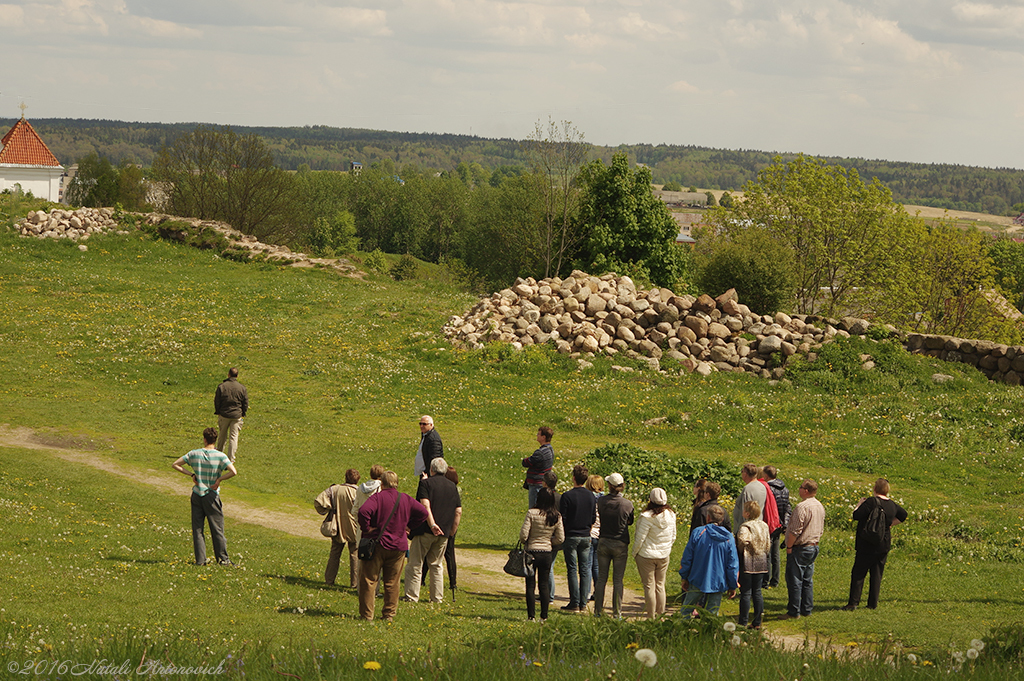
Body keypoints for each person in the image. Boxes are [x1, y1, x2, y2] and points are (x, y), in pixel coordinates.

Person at [356, 471, 429, 621]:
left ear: (381, 483)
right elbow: (423, 512)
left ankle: (367, 615)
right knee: (392, 583)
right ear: (396, 483)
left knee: (369, 581)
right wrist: (409, 527)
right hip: (398, 547)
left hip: (377, 544)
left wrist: (367, 528)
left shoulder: (377, 497)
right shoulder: (405, 499)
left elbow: (363, 512)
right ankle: (389, 615)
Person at [171, 427, 238, 566]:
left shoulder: (194, 453)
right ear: (215, 439)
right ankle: (223, 559)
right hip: (212, 495)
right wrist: (219, 479)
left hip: (197, 494)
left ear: (205, 439)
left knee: (198, 529)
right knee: (217, 528)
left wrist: (192, 474)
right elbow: (233, 472)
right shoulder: (220, 456)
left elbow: (175, 464)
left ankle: (200, 560)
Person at [842, 478, 908, 611]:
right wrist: (890, 524)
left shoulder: (871, 502)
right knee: (877, 574)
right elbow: (903, 515)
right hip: (883, 543)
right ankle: (872, 603)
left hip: (866, 543)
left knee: (859, 573)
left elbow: (856, 515)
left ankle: (853, 603)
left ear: (875, 489)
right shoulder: (892, 505)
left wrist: (859, 504)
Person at [404, 458, 462, 603]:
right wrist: (452, 531)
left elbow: (425, 505)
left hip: (426, 530)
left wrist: (432, 524)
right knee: (436, 565)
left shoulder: (426, 484)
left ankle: (412, 596)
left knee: (416, 563)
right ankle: (437, 598)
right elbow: (458, 511)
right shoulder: (452, 487)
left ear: (431, 470)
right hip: (444, 532)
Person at [678, 504, 738, 616]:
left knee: (686, 610)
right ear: (722, 519)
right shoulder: (729, 537)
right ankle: (708, 633)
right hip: (718, 580)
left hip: (697, 577)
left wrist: (684, 576)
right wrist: (732, 584)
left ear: (708, 518)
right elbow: (732, 564)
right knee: (712, 614)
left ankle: (682, 632)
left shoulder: (698, 532)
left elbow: (687, 557)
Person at [519, 487, 564, 621]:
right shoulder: (556, 516)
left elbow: (523, 535)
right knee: (543, 585)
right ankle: (544, 616)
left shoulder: (532, 513)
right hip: (546, 552)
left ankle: (531, 616)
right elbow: (561, 538)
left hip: (532, 551)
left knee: (530, 585)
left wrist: (527, 540)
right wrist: (550, 541)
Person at [632, 487, 677, 619]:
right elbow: (673, 536)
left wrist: (635, 553)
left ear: (650, 500)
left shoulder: (647, 517)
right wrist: (667, 548)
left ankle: (651, 617)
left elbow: (640, 538)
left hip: (646, 555)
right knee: (660, 585)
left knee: (649, 586)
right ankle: (661, 615)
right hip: (663, 555)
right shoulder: (671, 514)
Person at [593, 472, 633, 618]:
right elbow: (630, 521)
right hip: (620, 542)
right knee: (618, 580)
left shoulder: (601, 501)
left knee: (602, 578)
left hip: (604, 540)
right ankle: (617, 613)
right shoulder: (627, 504)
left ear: (609, 486)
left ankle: (598, 611)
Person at [784, 479, 825, 619]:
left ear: (806, 490)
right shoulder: (819, 505)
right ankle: (806, 608)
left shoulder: (802, 507)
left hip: (800, 547)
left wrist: (789, 546)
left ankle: (793, 611)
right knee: (807, 579)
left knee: (795, 580)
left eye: (801, 487)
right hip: (813, 546)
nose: (799, 489)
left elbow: (795, 530)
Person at [560, 464, 597, 613]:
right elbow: (593, 517)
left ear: (573, 478)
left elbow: (563, 518)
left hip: (571, 535)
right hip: (586, 535)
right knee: (584, 569)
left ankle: (574, 601)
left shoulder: (567, 496)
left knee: (572, 569)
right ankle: (583, 602)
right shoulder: (591, 496)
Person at [315, 469, 360, 587]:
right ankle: (355, 583)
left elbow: (318, 501)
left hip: (337, 524)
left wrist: (328, 509)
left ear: (345, 477)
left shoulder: (334, 489)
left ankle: (329, 580)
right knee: (355, 554)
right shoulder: (359, 492)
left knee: (335, 553)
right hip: (354, 525)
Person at [737, 501, 770, 628]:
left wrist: (742, 547)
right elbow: (768, 542)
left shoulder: (745, 527)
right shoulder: (764, 525)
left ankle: (743, 621)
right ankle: (757, 621)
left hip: (748, 559)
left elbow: (743, 539)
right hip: (761, 559)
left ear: (747, 513)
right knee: (757, 591)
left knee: (745, 592)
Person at [762, 466, 790, 589]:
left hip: (771, 522)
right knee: (776, 553)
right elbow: (787, 507)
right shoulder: (785, 489)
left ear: (767, 476)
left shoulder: (768, 489)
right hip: (780, 523)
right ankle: (776, 579)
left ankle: (765, 579)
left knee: (767, 552)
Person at [213, 367, 247, 463]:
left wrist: (218, 411)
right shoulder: (242, 388)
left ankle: (219, 455)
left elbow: (217, 401)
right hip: (237, 415)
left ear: (228, 374)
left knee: (222, 436)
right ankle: (231, 459)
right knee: (234, 437)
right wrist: (243, 413)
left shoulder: (222, 386)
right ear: (237, 376)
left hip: (224, 414)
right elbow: (245, 402)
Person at [522, 427, 554, 508]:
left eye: (539, 434)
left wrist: (527, 459)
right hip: (542, 482)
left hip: (536, 484)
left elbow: (526, 462)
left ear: (543, 437)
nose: (537, 435)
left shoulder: (540, 453)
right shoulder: (550, 449)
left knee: (534, 508)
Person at [585, 474, 605, 601]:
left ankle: (586, 592)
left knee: (587, 565)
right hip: (601, 534)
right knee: (597, 566)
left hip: (590, 533)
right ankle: (598, 592)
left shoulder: (588, 498)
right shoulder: (605, 500)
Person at [733, 464, 767, 536]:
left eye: (742, 471)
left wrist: (743, 530)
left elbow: (746, 510)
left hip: (747, 530)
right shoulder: (762, 486)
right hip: (758, 526)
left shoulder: (747, 489)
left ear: (745, 474)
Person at [442, 465, 461, 596]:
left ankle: (422, 579)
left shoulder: (448, 490)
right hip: (451, 524)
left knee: (431, 553)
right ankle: (453, 582)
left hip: (445, 524)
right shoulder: (456, 489)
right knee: (450, 555)